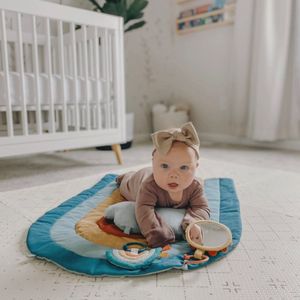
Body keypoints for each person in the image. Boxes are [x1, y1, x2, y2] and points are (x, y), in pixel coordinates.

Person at [116, 122, 210, 248]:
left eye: (183, 167)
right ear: (154, 163)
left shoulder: (195, 186)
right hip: (137, 181)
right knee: (126, 183)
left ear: (195, 168)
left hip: (151, 173)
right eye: (165, 166)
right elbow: (143, 210)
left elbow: (202, 208)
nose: (173, 175)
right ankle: (126, 176)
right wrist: (157, 234)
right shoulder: (149, 186)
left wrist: (193, 223)